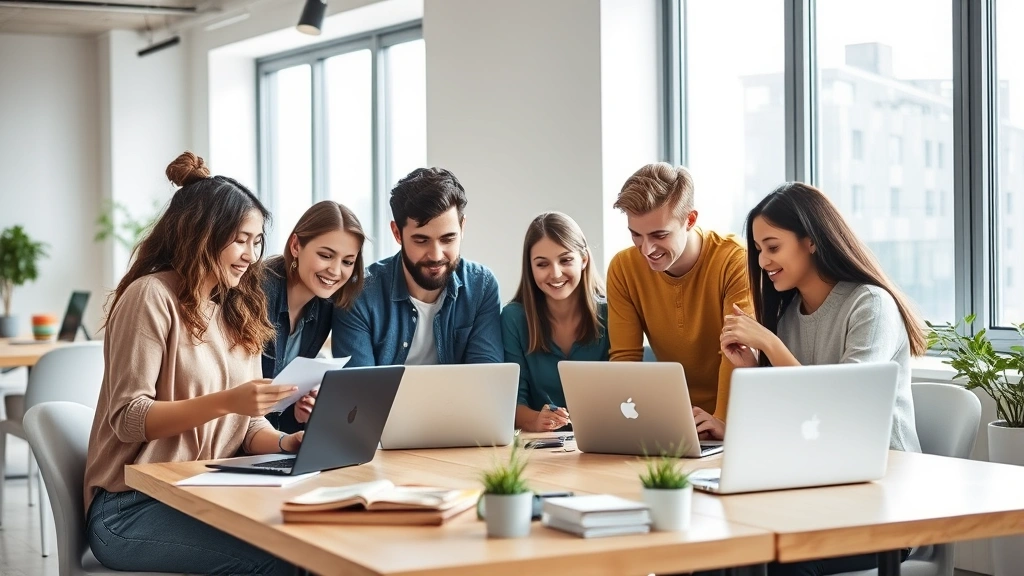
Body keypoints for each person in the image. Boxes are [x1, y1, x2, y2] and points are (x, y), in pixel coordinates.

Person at [83, 152, 300, 575]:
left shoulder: (239, 310)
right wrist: (229, 402)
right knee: (280, 559)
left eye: (257, 241)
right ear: (202, 234)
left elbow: (247, 427)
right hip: (130, 509)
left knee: (302, 543)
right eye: (240, 239)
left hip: (202, 492)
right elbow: (128, 418)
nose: (250, 255)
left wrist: (284, 443)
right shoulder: (151, 296)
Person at [720, 182, 923, 576]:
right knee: (713, 553)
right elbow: (793, 427)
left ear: (811, 241)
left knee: (779, 561)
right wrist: (751, 371)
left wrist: (772, 346)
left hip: (885, 506)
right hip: (814, 496)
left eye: (773, 246)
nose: (763, 260)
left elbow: (842, 412)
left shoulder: (870, 305)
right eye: (758, 249)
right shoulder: (788, 315)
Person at [606, 162, 750, 439]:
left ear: (690, 220)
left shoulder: (735, 260)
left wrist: (722, 420)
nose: (647, 249)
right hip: (673, 422)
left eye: (659, 235)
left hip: (738, 421)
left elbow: (736, 350)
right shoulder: (623, 268)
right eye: (636, 235)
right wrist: (624, 424)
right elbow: (625, 359)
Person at [332, 167, 502, 366]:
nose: (436, 255)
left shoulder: (481, 286)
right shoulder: (359, 294)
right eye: (421, 241)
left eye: (448, 239)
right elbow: (358, 384)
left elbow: (485, 377)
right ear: (397, 233)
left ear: (462, 228)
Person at [261, 201, 366, 433]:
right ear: (295, 245)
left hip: (269, 440)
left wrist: (297, 412)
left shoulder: (325, 307)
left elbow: (277, 407)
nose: (335, 271)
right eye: (326, 255)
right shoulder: (259, 294)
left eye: (348, 262)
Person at [502, 212, 609, 432]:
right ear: (531, 268)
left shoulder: (611, 314)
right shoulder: (514, 318)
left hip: (603, 436)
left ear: (584, 260)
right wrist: (536, 420)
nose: (556, 273)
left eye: (565, 260)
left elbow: (625, 393)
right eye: (542, 264)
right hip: (542, 443)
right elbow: (512, 404)